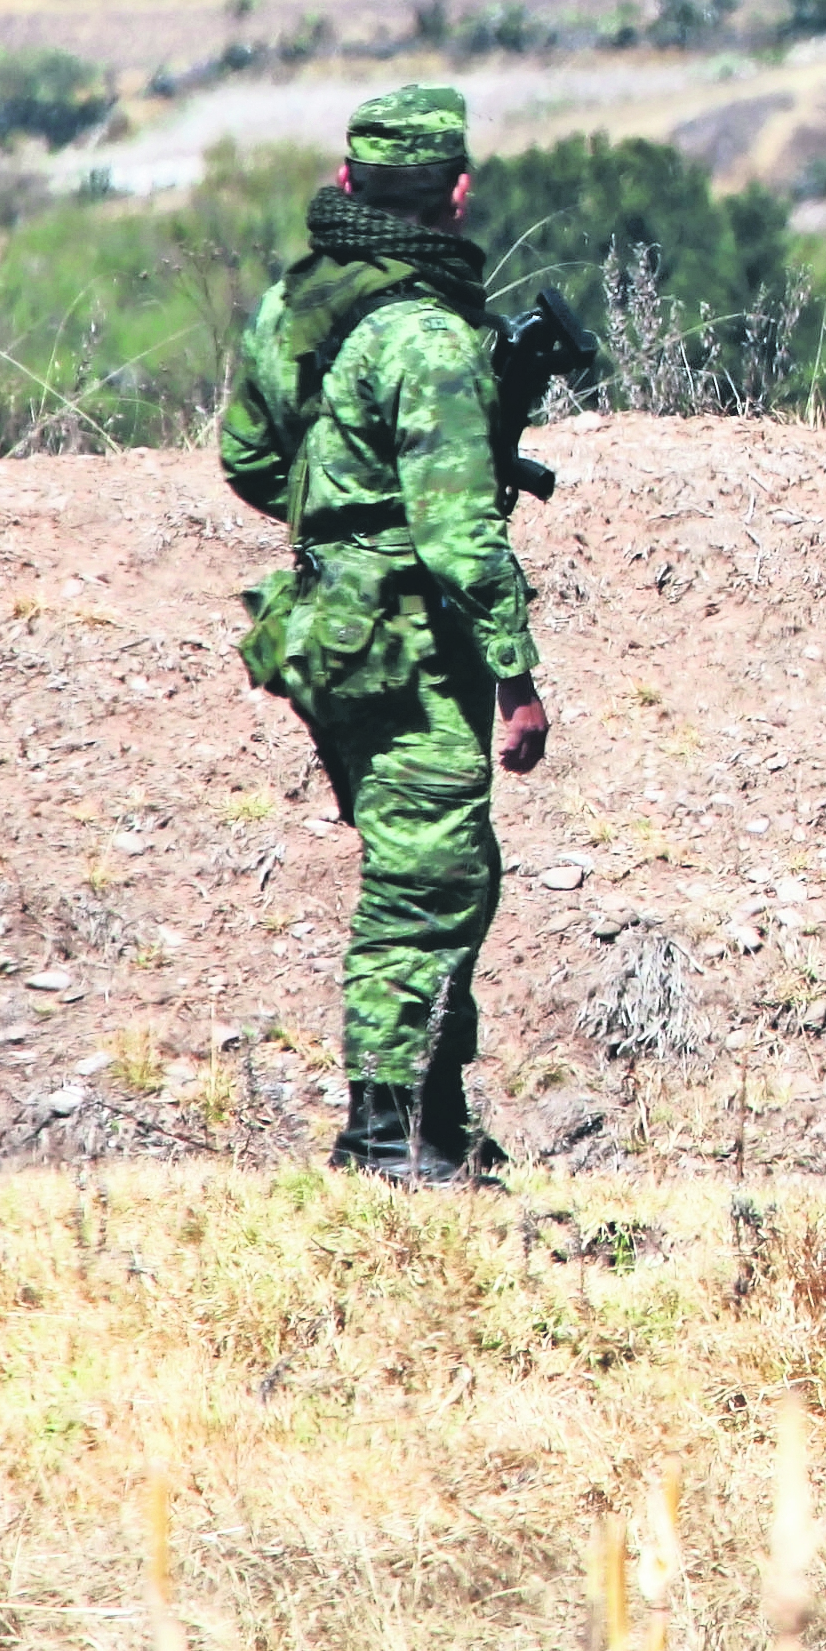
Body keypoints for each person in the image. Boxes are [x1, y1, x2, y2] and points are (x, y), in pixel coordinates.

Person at [218, 81, 551, 1185]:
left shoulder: (298, 304)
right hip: (407, 643)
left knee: (440, 868)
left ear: (351, 183)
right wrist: (515, 676)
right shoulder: (428, 336)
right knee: (427, 883)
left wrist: (346, 519)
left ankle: (436, 1123)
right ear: (456, 194)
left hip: (327, 629)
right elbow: (460, 533)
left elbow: (252, 462)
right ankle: (385, 1136)